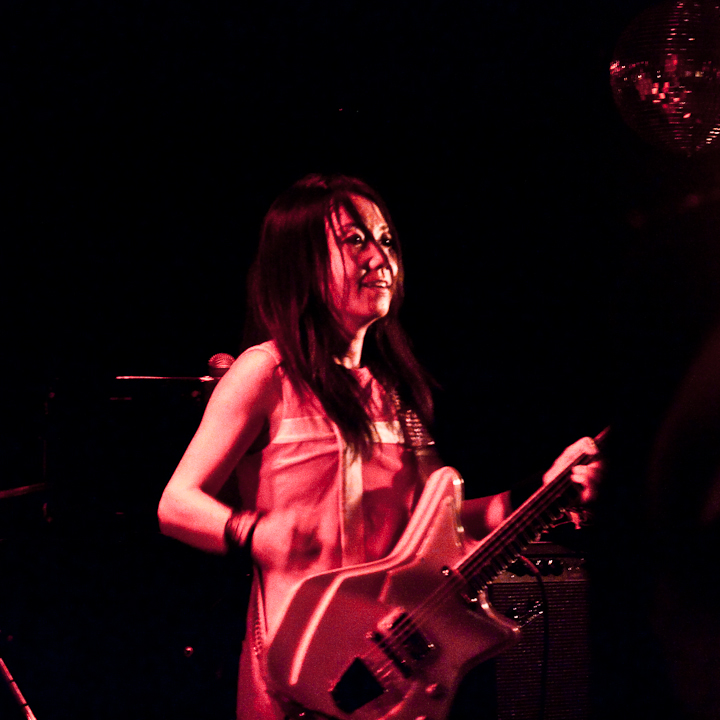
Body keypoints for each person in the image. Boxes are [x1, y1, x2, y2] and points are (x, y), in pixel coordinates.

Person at [157, 173, 601, 720]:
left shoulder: (396, 395)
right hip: (297, 675)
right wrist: (254, 531)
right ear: (302, 264)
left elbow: (439, 524)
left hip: (390, 674)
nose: (379, 257)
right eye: (355, 241)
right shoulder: (266, 370)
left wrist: (545, 493)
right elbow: (176, 503)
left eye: (386, 240)